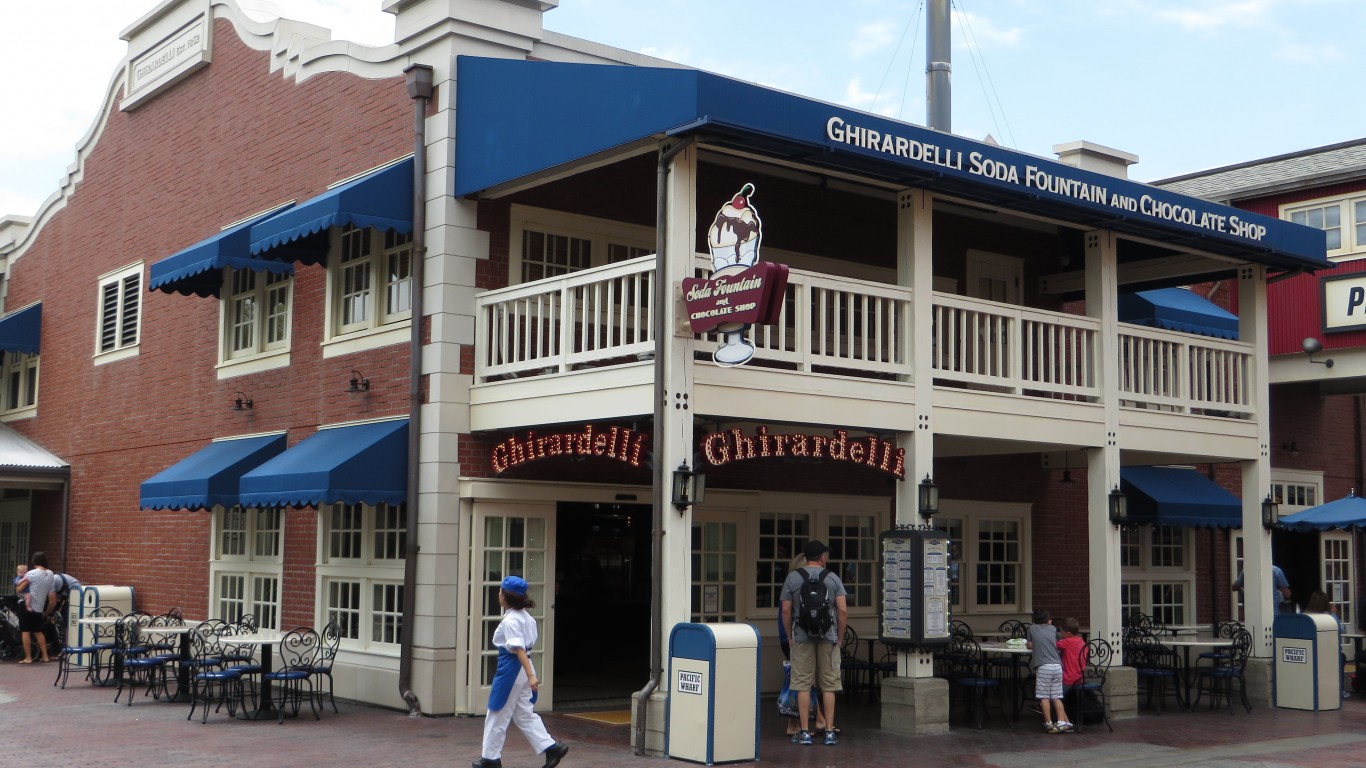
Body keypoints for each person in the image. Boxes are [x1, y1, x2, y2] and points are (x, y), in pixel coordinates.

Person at [473, 575, 569, 768]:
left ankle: (490, 758)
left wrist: (531, 675)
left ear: (504, 596)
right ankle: (551, 747)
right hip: (524, 668)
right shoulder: (528, 618)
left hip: (511, 669)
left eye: (500, 591)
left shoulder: (511, 621)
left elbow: (518, 650)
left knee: (496, 712)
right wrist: (530, 674)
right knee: (524, 713)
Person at [780, 540, 848, 746]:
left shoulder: (793, 578)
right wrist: (841, 637)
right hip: (828, 637)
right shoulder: (832, 578)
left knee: (802, 683)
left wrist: (790, 636)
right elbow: (843, 611)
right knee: (828, 684)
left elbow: (785, 610)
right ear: (822, 557)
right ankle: (828, 731)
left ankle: (805, 732)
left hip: (802, 636)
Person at [777, 554, 827, 737]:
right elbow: (786, 612)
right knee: (805, 681)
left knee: (799, 680)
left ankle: (795, 722)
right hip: (797, 638)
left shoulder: (791, 585)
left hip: (790, 638)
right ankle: (818, 719)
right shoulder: (799, 587)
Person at [1027, 608, 1072, 733]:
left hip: (1043, 666)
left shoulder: (1032, 628)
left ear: (1034, 620)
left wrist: (1033, 645)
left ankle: (1048, 723)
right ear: (1048, 621)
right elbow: (1055, 641)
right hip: (1057, 666)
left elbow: (1029, 644)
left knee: (1044, 697)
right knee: (1057, 696)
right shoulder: (1052, 629)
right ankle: (1062, 722)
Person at [1305, 590, 1351, 699]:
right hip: (1329, 655)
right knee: (1341, 657)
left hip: (1311, 654)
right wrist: (1334, 613)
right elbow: (1339, 631)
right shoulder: (1330, 618)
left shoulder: (1306, 617)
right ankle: (1339, 690)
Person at [13, 552, 54, 664]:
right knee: (38, 631)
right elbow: (51, 592)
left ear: (34, 561)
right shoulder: (50, 574)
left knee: (25, 631)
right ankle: (45, 656)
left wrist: (18, 585)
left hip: (27, 605)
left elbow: (19, 588)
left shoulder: (32, 573)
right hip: (39, 606)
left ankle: (28, 657)